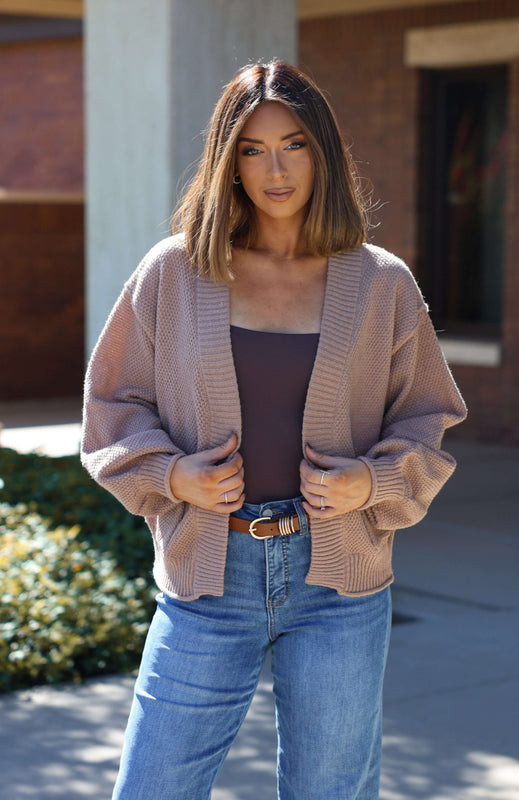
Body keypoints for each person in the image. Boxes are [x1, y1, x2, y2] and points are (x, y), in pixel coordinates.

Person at [81, 60, 467, 800]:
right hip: (206, 578)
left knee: (331, 790)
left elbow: (426, 415)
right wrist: (171, 475)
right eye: (252, 150)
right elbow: (112, 403)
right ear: (227, 162)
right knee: (152, 786)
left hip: (339, 586)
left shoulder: (380, 281)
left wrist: (372, 482)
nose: (275, 169)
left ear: (322, 151)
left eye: (292, 144)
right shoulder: (175, 271)